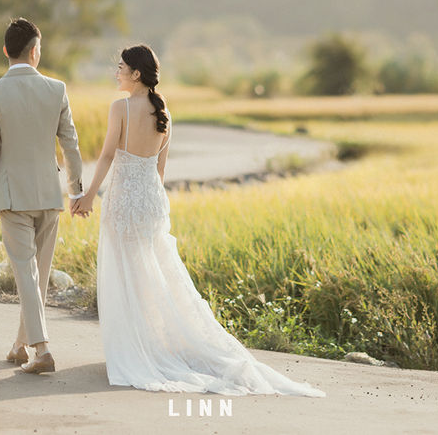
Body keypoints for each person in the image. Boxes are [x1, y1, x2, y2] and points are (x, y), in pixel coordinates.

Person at [71, 45, 325, 397]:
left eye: (121, 67)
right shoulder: (164, 114)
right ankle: (157, 344)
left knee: (128, 273)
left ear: (137, 74)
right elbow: (160, 172)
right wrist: (153, 205)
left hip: (125, 200)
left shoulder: (121, 108)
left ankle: (139, 348)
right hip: (152, 201)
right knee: (152, 273)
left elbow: (108, 156)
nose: (116, 72)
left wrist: (88, 196)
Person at [0, 17, 84, 375]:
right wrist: (77, 190)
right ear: (34, 52)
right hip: (50, 195)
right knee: (37, 277)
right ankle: (19, 346)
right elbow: (71, 146)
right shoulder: (57, 89)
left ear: (6, 51)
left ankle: (42, 348)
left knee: (27, 276)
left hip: (13, 198)